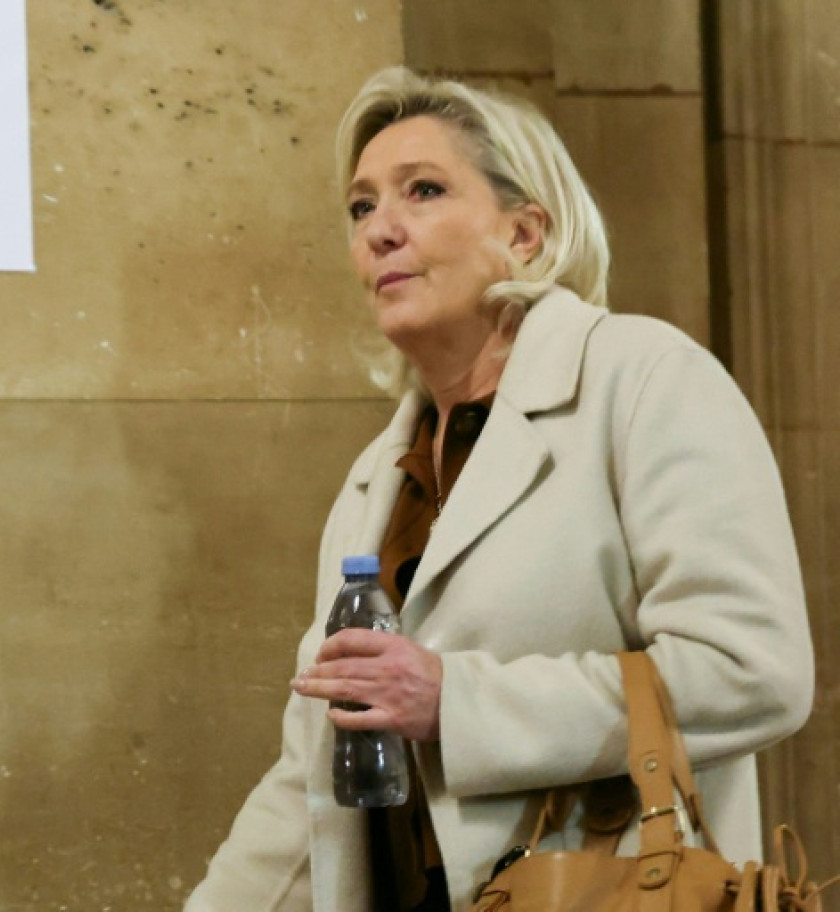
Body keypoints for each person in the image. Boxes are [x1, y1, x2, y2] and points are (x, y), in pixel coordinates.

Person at [184, 66, 815, 912]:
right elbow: (316, 776)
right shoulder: (379, 475)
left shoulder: (643, 379)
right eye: (362, 206)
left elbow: (754, 670)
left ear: (525, 233)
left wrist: (460, 702)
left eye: (424, 191)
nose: (381, 231)